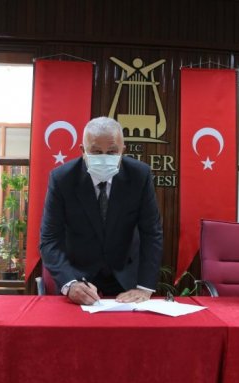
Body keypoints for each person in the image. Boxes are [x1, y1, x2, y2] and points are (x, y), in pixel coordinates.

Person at [40, 117, 163, 305]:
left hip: (127, 278)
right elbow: (49, 239)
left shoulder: (139, 175)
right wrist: (70, 284)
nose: (104, 157)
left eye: (112, 151)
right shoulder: (62, 179)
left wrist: (144, 287)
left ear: (122, 150)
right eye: (96, 152)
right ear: (83, 151)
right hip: (79, 278)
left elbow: (152, 233)